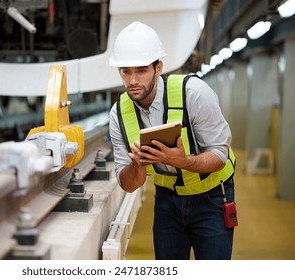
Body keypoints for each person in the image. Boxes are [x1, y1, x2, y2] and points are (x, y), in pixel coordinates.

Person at [108, 21, 237, 260]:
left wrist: (182, 160)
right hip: (167, 202)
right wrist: (138, 164)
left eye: (141, 70)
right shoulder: (119, 114)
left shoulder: (194, 93)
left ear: (158, 67)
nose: (133, 80)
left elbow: (219, 156)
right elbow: (128, 184)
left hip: (212, 198)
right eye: (126, 71)